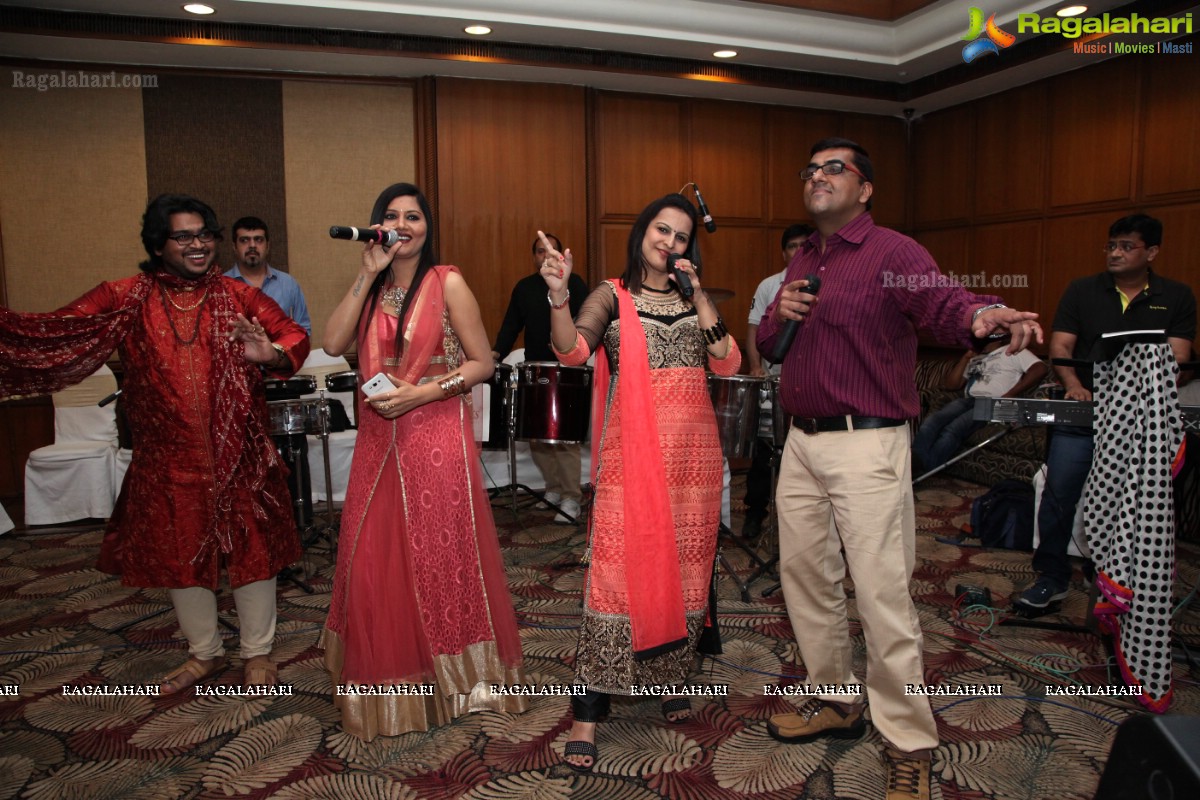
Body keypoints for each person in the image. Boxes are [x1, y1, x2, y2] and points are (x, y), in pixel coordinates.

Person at [756, 138, 1042, 800]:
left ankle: (910, 739)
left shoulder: (892, 252)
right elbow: (770, 341)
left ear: (865, 189)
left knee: (882, 596)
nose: (818, 176)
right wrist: (782, 318)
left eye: (835, 168)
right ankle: (836, 699)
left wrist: (983, 314)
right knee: (806, 581)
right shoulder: (803, 256)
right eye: (811, 169)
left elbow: (945, 304)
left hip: (868, 442)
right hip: (801, 442)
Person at [0, 194, 310, 692]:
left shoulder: (238, 296)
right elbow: (53, 333)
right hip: (170, 461)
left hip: (241, 454)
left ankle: (257, 653)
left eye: (204, 235)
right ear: (158, 243)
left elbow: (294, 337)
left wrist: (269, 353)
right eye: (183, 236)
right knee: (182, 556)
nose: (197, 245)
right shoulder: (125, 296)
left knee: (254, 551)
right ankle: (203, 652)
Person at [539, 193, 741, 772]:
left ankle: (665, 676)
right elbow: (572, 351)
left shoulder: (692, 297)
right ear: (641, 232)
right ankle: (587, 712)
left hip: (694, 461)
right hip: (634, 455)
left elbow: (725, 360)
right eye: (661, 230)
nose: (669, 243)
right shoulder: (612, 294)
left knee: (682, 569)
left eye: (680, 237)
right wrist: (559, 294)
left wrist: (699, 297)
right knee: (615, 574)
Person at [320, 182, 526, 741]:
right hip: (376, 439)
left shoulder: (447, 282)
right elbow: (333, 340)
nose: (403, 224)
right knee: (373, 558)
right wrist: (366, 273)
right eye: (392, 216)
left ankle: (460, 682)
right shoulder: (373, 283)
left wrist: (424, 393)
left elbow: (483, 363)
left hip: (433, 434)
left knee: (435, 558)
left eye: (414, 216)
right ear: (378, 226)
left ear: (428, 227)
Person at [1019, 214, 1195, 610]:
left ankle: (1116, 578)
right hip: (1086, 413)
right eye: (1111, 245)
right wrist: (1073, 385)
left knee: (1133, 500)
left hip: (1143, 422)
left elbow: (1179, 358)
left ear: (1151, 252)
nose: (1115, 253)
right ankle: (1052, 575)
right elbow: (1062, 348)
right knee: (1059, 491)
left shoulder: (1177, 295)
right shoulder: (1083, 290)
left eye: (1126, 246)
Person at [492, 233, 589, 523]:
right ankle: (554, 489)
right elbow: (511, 325)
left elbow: (587, 320)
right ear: (533, 256)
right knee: (537, 436)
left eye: (551, 251)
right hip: (534, 369)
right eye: (539, 251)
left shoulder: (576, 283)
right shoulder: (524, 287)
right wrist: (495, 354)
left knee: (564, 438)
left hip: (566, 370)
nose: (545, 256)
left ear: (561, 255)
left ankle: (572, 497)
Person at [742, 222, 813, 538]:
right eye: (792, 246)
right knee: (764, 450)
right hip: (773, 383)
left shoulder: (822, 283)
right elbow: (754, 329)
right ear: (784, 252)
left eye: (803, 245)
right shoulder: (769, 286)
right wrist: (756, 367)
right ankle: (755, 514)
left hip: (810, 387)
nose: (798, 251)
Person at [911, 339, 1047, 475]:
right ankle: (912, 466)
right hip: (969, 399)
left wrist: (1010, 393)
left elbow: (1040, 368)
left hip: (993, 403)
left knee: (954, 428)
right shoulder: (977, 357)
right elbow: (951, 385)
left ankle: (924, 471)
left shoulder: (1014, 351)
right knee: (931, 422)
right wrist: (966, 358)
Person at [223, 216, 312, 334]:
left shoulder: (288, 284)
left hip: (280, 352)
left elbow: (304, 331)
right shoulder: (221, 286)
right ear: (234, 247)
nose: (252, 245)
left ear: (268, 246)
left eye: (258, 239)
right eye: (244, 240)